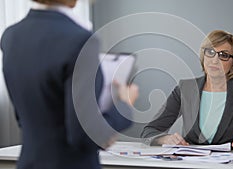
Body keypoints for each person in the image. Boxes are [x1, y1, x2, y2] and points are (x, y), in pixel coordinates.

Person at [1, 0, 138, 169]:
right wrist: (124, 105)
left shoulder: (11, 35)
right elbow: (84, 136)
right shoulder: (79, 40)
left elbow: (24, 118)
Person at [141, 30, 233, 152]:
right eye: (210, 52)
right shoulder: (185, 88)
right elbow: (149, 132)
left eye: (223, 55)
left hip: (230, 162)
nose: (214, 60)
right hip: (192, 162)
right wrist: (165, 139)